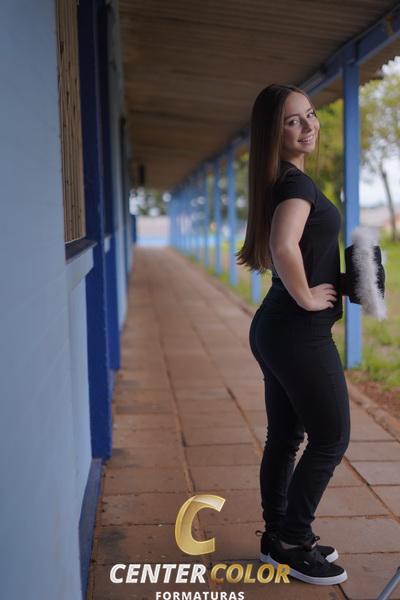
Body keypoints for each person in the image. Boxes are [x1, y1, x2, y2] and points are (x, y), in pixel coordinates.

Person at [236, 84, 350, 586]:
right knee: (331, 436)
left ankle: (277, 535)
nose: (308, 126)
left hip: (276, 328)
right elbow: (284, 247)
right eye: (292, 121)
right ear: (273, 132)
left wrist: (337, 282)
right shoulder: (297, 186)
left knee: (285, 437)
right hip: (297, 332)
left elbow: (299, 251)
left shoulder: (283, 181)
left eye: (310, 115)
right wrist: (306, 297)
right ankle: (293, 540)